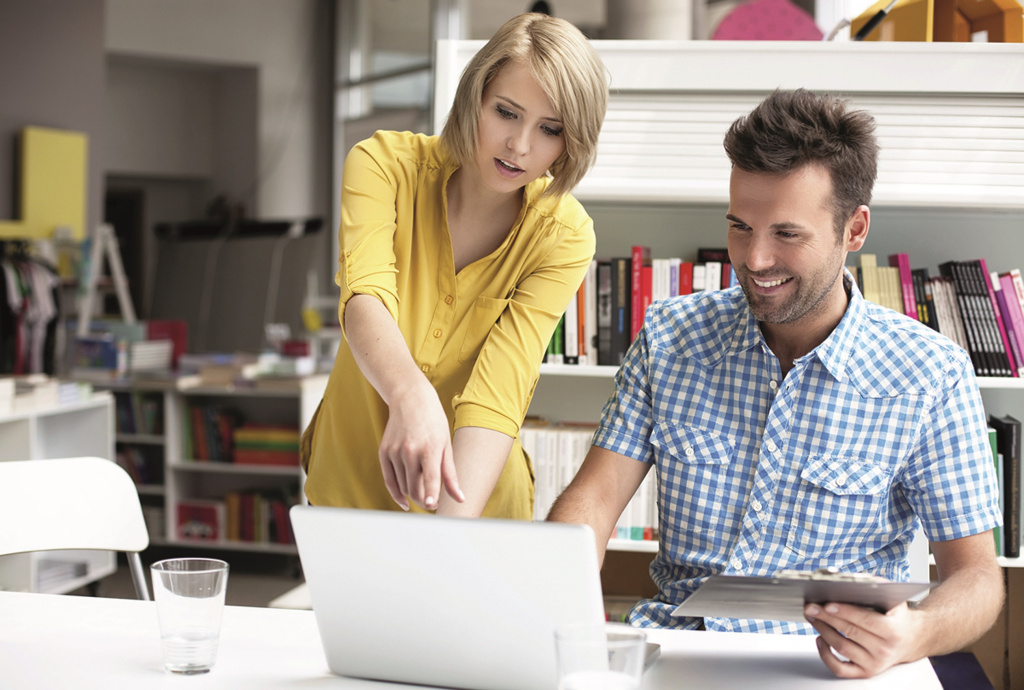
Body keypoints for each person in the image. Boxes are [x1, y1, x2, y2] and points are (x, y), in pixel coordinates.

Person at [548, 89, 1004, 679]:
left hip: (830, 665)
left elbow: (977, 578)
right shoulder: (670, 337)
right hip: (681, 649)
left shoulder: (930, 374)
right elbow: (595, 501)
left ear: (854, 229)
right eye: (741, 226)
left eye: (787, 234)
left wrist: (912, 632)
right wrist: (555, 608)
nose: (755, 259)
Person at [301, 13, 608, 519]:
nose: (521, 146)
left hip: (475, 499)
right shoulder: (382, 166)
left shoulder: (564, 235)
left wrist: (447, 539)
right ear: (475, 96)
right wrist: (410, 395)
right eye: (506, 113)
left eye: (550, 129)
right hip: (350, 486)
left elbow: (500, 388)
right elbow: (365, 298)